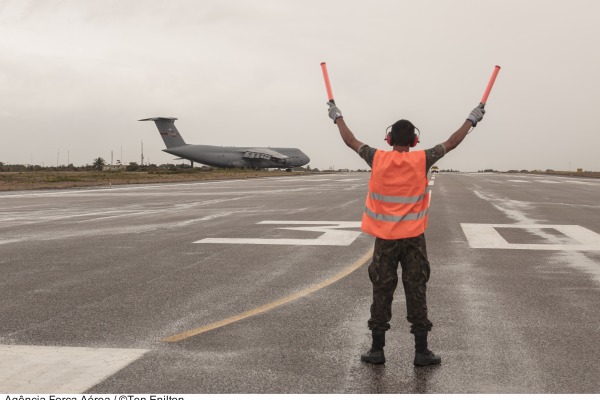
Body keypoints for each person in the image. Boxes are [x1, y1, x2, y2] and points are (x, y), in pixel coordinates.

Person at [326, 101, 485, 367]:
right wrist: (472, 119)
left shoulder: (376, 157)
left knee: (382, 288)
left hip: (385, 239)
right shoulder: (422, 158)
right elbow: (453, 142)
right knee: (416, 289)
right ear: (414, 140)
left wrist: (337, 116)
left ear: (389, 139)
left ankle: (377, 350)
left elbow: (350, 140)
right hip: (413, 240)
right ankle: (421, 351)